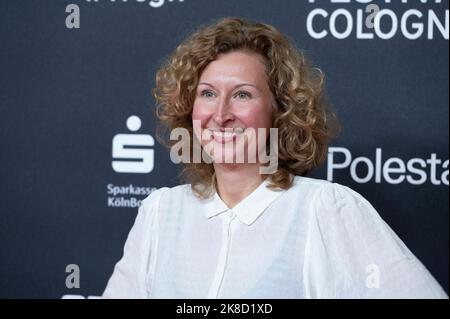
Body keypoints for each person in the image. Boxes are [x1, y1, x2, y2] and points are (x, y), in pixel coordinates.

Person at [103, 17, 447, 299]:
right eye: (208, 94)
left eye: (242, 94)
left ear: (280, 110)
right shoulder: (160, 213)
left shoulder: (324, 208)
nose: (220, 114)